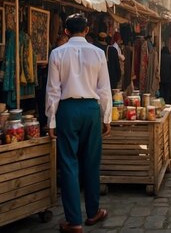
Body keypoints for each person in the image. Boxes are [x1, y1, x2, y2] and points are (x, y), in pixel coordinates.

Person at [46, 14, 111, 233]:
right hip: (91, 110)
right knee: (92, 162)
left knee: (68, 164)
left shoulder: (57, 53)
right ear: (86, 29)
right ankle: (93, 212)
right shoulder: (99, 53)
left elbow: (53, 91)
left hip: (67, 110)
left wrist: (51, 119)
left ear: (65, 31)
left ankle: (74, 221)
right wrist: (106, 117)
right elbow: (104, 89)